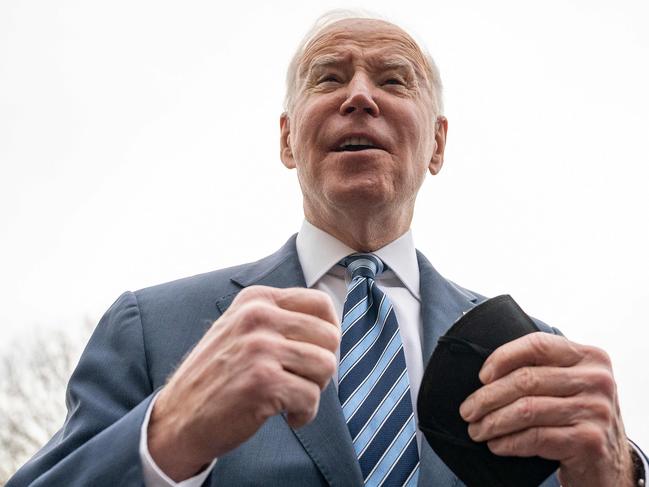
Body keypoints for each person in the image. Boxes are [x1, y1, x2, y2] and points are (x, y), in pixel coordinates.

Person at [9, 11, 647, 487]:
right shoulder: (153, 330)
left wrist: (616, 471)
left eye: (395, 80)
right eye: (329, 78)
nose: (360, 97)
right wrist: (166, 436)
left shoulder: (532, 359)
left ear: (438, 145)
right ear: (287, 141)